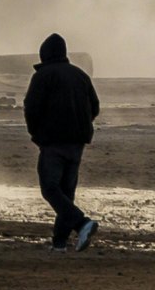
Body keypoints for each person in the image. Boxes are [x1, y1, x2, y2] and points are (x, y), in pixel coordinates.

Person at [23, 33, 101, 249]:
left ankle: (82, 223)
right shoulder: (80, 75)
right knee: (66, 191)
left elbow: (31, 108)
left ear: (44, 53)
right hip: (77, 142)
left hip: (53, 141)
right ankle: (60, 243)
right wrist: (82, 124)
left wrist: (36, 135)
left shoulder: (43, 76)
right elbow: (94, 106)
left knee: (50, 188)